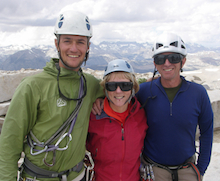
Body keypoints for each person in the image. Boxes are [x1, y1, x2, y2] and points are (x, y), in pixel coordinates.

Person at [0, 10, 104, 181]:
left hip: (77, 175)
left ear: (88, 47)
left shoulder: (91, 84)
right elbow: (9, 143)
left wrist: (100, 98)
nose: (74, 48)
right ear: (57, 44)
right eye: (67, 41)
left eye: (80, 42)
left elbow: (117, 94)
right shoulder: (33, 86)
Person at [136, 33, 213, 181]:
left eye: (174, 58)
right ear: (155, 64)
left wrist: (200, 169)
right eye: (160, 59)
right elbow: (119, 98)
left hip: (187, 169)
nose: (166, 63)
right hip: (154, 170)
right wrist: (98, 99)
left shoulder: (198, 93)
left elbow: (207, 133)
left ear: (183, 62)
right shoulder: (144, 91)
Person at [87, 59, 148, 181]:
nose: (118, 91)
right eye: (112, 86)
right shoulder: (93, 116)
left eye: (125, 85)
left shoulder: (141, 113)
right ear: (105, 88)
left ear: (133, 87)